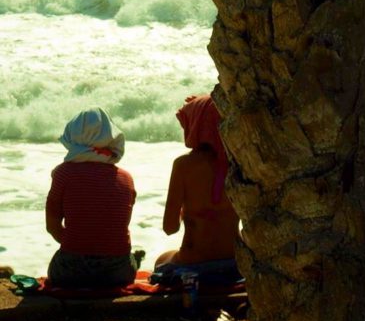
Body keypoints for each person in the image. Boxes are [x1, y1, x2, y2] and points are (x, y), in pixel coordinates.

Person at [45, 108, 137, 288]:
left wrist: (78, 246)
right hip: (118, 273)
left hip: (70, 272)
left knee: (59, 264)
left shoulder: (63, 173)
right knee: (130, 259)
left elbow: (52, 227)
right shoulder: (126, 178)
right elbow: (117, 228)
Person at [155, 92, 240, 271]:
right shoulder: (241, 163)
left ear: (196, 126)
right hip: (234, 261)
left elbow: (170, 228)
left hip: (193, 261)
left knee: (161, 260)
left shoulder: (183, 165)